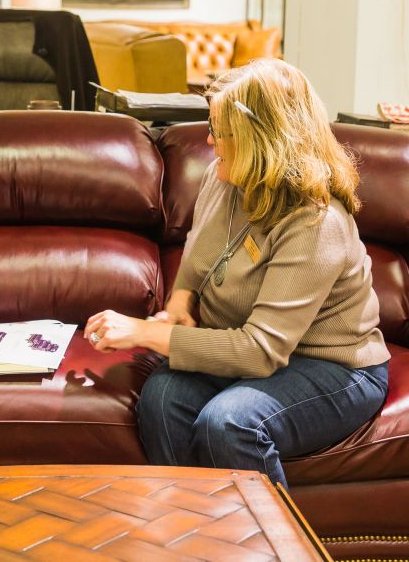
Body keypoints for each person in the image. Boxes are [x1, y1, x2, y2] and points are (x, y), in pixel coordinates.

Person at [83, 58, 390, 488]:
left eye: (220, 131)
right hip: (252, 350)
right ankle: (190, 535)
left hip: (332, 366)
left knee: (228, 422)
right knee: (162, 398)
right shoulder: (223, 178)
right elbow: (195, 261)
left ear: (261, 139)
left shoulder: (314, 221)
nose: (209, 140)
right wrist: (177, 306)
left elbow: (260, 351)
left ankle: (273, 549)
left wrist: (143, 333)